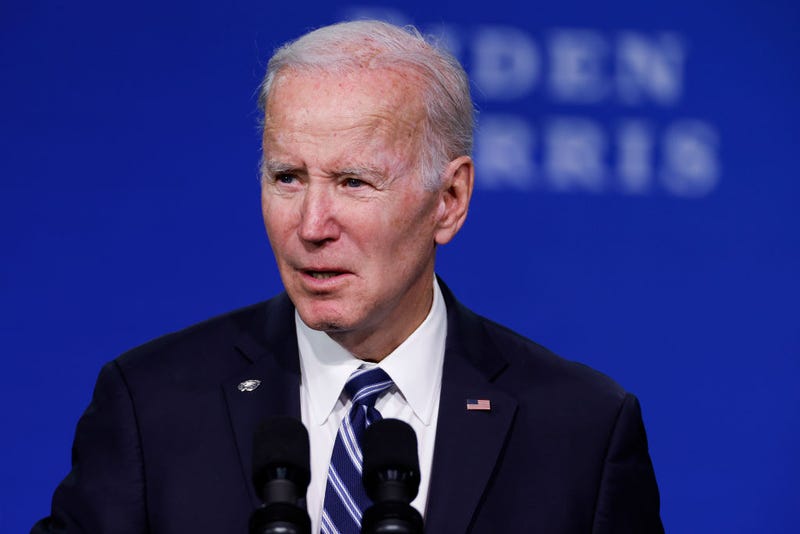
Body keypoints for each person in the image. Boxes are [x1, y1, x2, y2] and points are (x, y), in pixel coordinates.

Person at [33, 20, 663, 534]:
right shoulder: (152, 405)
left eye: (353, 182)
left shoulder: (581, 431)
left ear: (449, 199)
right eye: (288, 177)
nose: (311, 225)